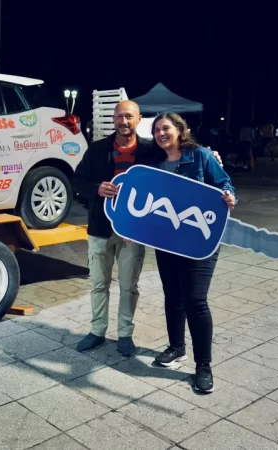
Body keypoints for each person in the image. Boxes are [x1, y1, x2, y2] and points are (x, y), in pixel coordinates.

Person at [73, 101, 223, 356]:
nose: (124, 121)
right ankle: (97, 331)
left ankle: (124, 334)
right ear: (113, 119)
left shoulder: (150, 150)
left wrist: (209, 154)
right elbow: (78, 181)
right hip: (100, 228)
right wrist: (96, 189)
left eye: (129, 116)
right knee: (99, 283)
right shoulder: (98, 149)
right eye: (119, 116)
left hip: (134, 231)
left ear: (138, 119)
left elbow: (179, 152)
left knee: (129, 285)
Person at [148, 112, 237, 394]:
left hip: (200, 241)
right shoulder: (155, 163)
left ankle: (203, 366)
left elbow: (224, 183)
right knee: (172, 296)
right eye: (156, 130)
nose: (161, 133)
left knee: (195, 300)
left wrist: (228, 194)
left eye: (166, 128)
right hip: (167, 241)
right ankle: (176, 348)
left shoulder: (201, 156)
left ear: (180, 130)